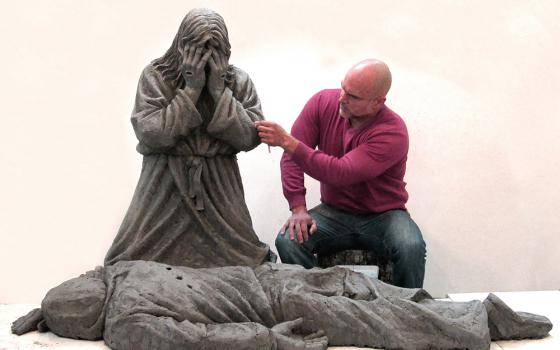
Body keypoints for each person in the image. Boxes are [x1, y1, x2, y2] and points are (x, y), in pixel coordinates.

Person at [12, 260, 552, 350]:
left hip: (274, 307)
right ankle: (476, 313)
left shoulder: (125, 325)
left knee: (376, 320)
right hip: (272, 277)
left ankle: (476, 320)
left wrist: (268, 340)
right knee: (368, 290)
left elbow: (199, 340)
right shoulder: (120, 270)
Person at [104, 8, 273, 268]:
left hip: (220, 184)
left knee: (242, 259)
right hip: (164, 184)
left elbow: (250, 136)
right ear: (182, 46)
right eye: (198, 49)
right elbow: (150, 132)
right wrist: (191, 90)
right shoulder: (156, 76)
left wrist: (219, 91)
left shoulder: (238, 81)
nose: (206, 58)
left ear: (226, 50)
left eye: (214, 50)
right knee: (138, 259)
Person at [256, 59, 425, 287]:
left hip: (384, 215)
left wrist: (287, 141)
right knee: (288, 241)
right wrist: (298, 207)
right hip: (333, 213)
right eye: (343, 88)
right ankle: (322, 301)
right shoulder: (322, 102)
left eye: (353, 96)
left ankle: (408, 312)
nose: (342, 98)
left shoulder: (392, 132)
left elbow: (341, 172)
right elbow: (291, 158)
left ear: (378, 102)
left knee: (411, 246)